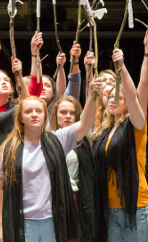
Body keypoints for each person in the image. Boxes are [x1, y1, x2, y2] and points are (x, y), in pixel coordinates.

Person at [0, 75, 103, 242]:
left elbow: (85, 123)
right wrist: (0, 226)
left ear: (45, 115)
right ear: (21, 118)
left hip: (51, 220)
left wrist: (93, 95)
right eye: (28, 111)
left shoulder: (58, 139)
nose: (34, 115)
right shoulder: (7, 149)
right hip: (22, 221)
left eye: (39, 111)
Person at [93, 44, 148, 242]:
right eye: (109, 96)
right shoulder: (105, 131)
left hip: (135, 206)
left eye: (119, 96)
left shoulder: (135, 125)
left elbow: (139, 89)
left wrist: (122, 67)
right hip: (111, 208)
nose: (113, 99)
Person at [49, 96, 100, 242]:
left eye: (72, 113)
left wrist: (92, 93)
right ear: (55, 114)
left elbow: (88, 118)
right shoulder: (46, 139)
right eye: (63, 112)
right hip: (53, 199)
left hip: (76, 198)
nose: (68, 116)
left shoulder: (83, 141)